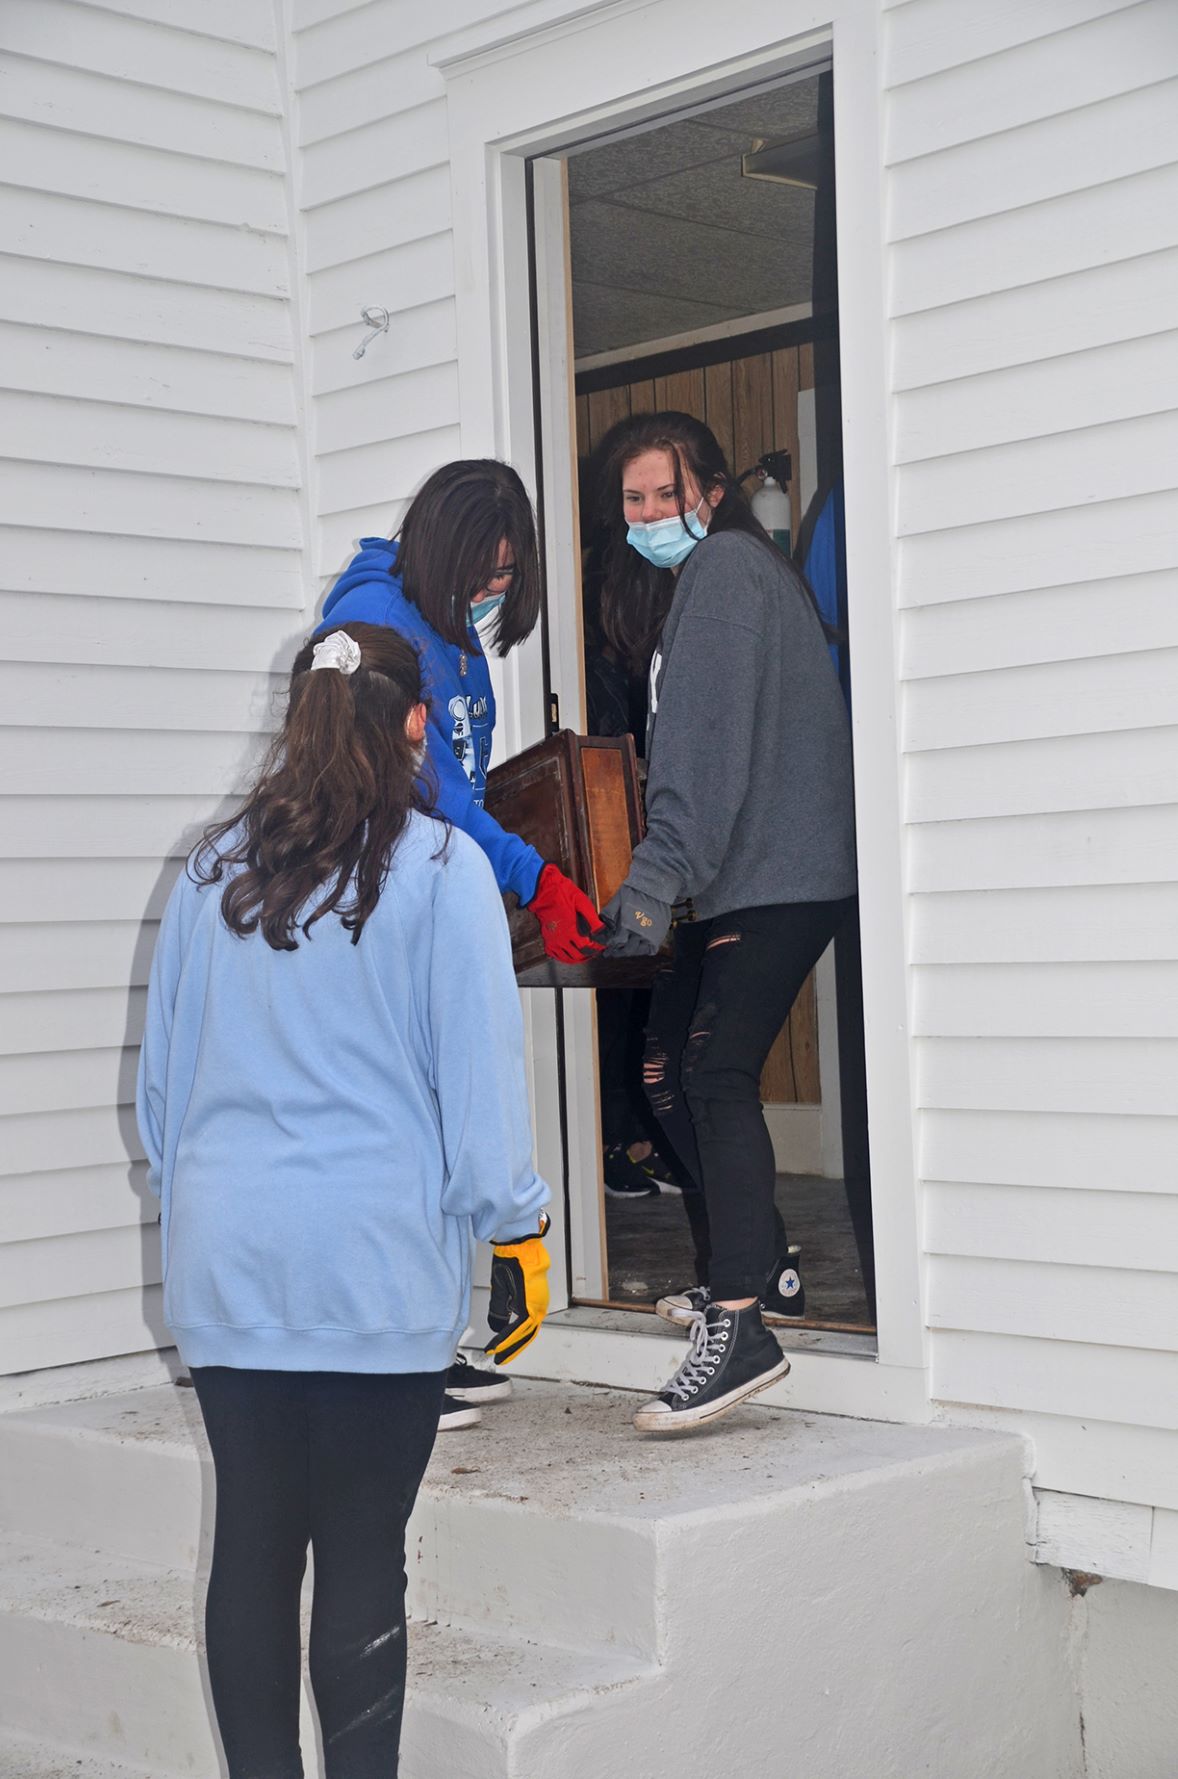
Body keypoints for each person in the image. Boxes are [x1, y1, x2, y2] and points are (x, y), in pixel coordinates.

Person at [136, 622, 552, 1779]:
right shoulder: (439, 870)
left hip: (229, 1269)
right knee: (363, 1554)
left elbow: (162, 1098)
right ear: (416, 723)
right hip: (370, 1269)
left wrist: (212, 1211)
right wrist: (515, 1227)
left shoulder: (210, 869)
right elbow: (477, 1096)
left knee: (255, 1548)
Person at [316, 460, 600, 1423]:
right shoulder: (374, 625)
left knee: (432, 1126)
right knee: (396, 1130)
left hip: (430, 888)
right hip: (376, 900)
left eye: (507, 575)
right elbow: (423, 785)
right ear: (443, 547)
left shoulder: (444, 622)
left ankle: (424, 1345)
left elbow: (463, 790)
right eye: (487, 569)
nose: (494, 589)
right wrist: (532, 875)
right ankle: (386, 1357)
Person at [597, 412, 857, 1433]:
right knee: (665, 1067)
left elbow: (703, 757)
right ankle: (756, 1266)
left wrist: (655, 877)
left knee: (706, 1072)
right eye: (632, 500)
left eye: (666, 493)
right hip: (744, 873)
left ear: (708, 489)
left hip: (776, 872)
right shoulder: (724, 579)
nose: (652, 515)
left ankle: (742, 1325)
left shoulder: (722, 574)